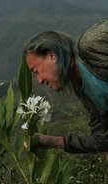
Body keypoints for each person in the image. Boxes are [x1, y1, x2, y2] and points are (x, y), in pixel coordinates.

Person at [23, 20, 108, 156]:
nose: (39, 80)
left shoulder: (92, 44)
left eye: (36, 70)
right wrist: (52, 142)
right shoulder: (85, 92)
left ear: (52, 55)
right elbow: (103, 139)